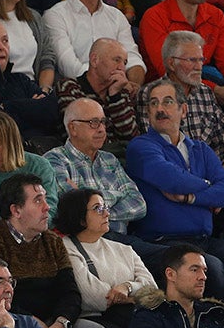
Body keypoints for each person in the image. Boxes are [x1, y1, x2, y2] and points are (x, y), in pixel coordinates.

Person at [128, 79, 224, 297]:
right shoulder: (141, 147)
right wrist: (207, 186)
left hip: (204, 240)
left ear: (183, 109)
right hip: (165, 242)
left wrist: (190, 198)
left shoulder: (201, 149)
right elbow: (172, 180)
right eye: (154, 104)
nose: (160, 109)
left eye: (167, 102)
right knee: (211, 267)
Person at [0, 173, 112, 328]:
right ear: (16, 211)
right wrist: (32, 323)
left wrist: (61, 324)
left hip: (54, 322)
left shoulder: (53, 241)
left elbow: (70, 292)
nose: (47, 207)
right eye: (38, 201)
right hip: (9, 322)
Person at [56, 187, 155, 328]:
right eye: (98, 209)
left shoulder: (123, 249)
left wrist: (127, 287)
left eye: (105, 207)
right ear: (80, 217)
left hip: (131, 314)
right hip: (95, 319)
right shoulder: (66, 249)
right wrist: (134, 296)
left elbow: (152, 289)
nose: (106, 213)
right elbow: (92, 297)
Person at [46, 98, 148, 236]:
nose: (101, 129)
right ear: (73, 128)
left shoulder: (109, 159)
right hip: (83, 241)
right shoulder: (55, 159)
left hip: (120, 241)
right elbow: (75, 210)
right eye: (93, 123)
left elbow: (139, 205)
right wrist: (118, 196)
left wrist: (94, 208)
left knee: (175, 254)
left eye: (103, 122)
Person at [140, 31, 224, 167]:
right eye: (192, 60)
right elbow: (156, 144)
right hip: (174, 171)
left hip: (210, 168)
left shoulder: (205, 92)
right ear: (171, 63)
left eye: (201, 60)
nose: (199, 67)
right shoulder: (151, 94)